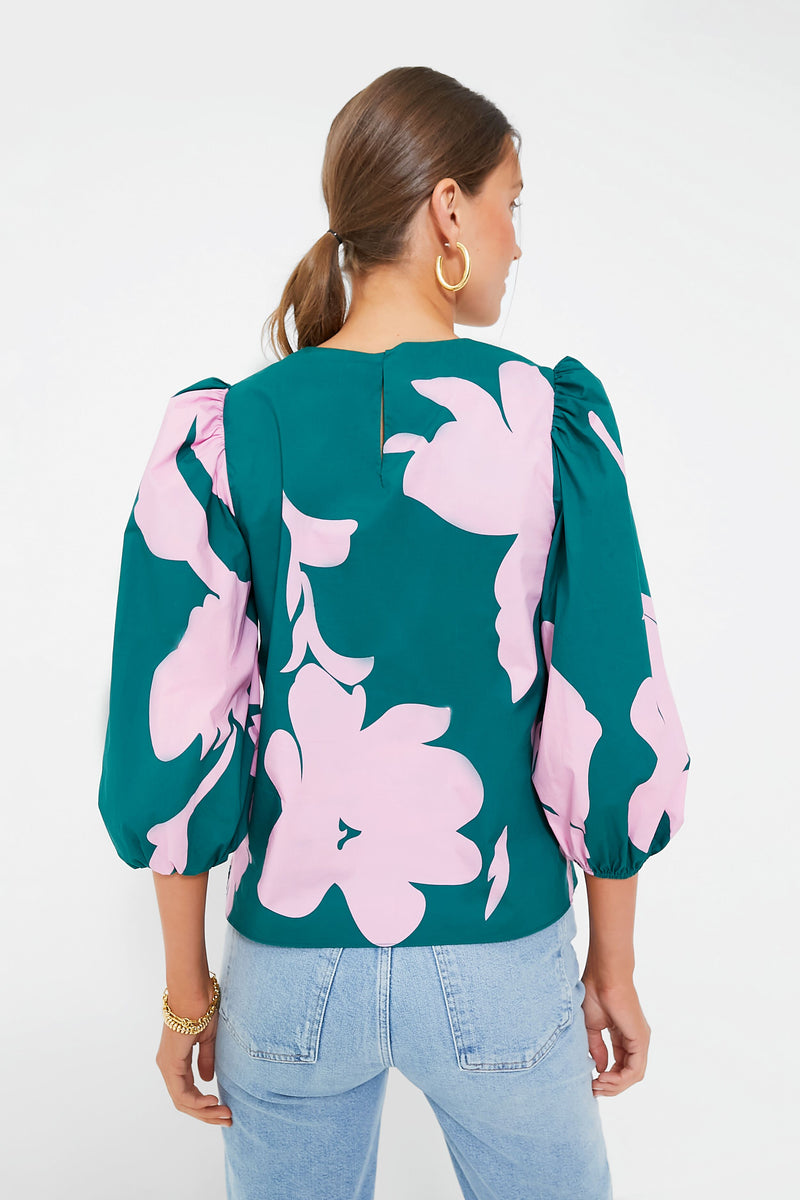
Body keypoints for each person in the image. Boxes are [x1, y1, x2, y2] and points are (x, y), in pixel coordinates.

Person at [97, 65, 690, 1200]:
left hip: (288, 966)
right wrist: (611, 967)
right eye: (512, 204)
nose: (519, 241)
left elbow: (171, 735)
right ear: (449, 210)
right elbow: (610, 706)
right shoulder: (547, 421)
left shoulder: (230, 429)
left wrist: (185, 995)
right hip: (500, 951)